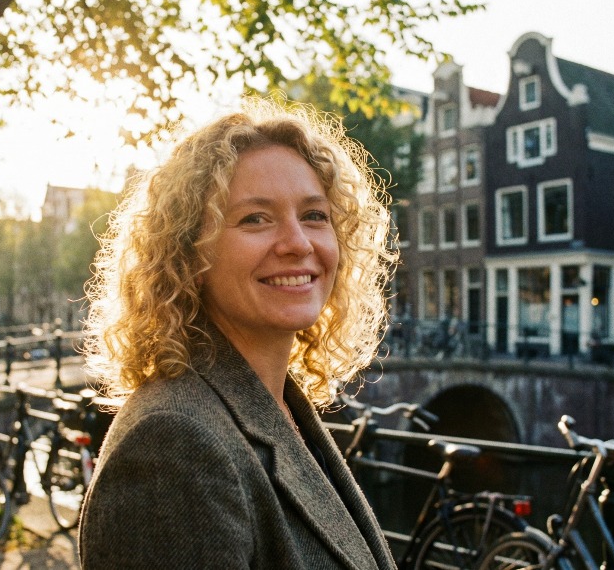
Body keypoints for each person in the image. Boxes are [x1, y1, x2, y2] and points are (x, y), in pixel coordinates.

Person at [78, 96, 399, 569]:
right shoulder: (173, 445)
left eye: (315, 215)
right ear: (188, 254)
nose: (298, 243)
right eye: (255, 218)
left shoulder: (278, 406)